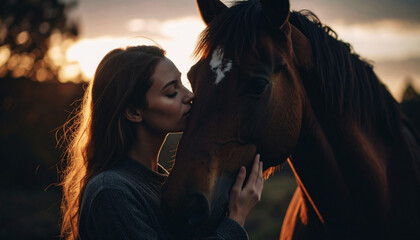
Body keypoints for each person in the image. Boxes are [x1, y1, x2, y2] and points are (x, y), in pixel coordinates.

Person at [59, 45, 264, 240]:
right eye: (171, 92)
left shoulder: (160, 183)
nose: (190, 96)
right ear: (134, 111)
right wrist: (235, 220)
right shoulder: (111, 192)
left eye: (182, 84)